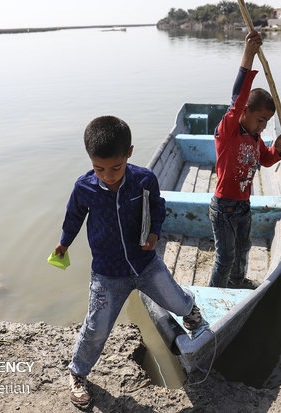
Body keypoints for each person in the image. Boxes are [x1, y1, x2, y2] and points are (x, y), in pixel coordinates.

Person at [54, 115, 204, 409]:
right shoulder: (84, 188)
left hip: (145, 263)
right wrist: (64, 242)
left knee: (176, 300)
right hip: (107, 274)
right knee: (96, 328)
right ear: (90, 161)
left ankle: (191, 310)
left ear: (129, 154)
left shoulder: (144, 180)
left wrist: (155, 233)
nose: (108, 175)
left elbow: (158, 209)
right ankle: (77, 374)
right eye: (99, 169)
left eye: (116, 168)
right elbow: (74, 217)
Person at [209, 31, 281, 289]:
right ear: (244, 113)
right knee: (225, 257)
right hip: (223, 207)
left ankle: (237, 283)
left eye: (266, 122)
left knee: (243, 249)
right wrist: (249, 55)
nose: (262, 125)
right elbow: (237, 99)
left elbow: (266, 160)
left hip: (244, 205)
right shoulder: (229, 131)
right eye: (260, 119)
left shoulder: (255, 137)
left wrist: (278, 146)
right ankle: (214, 294)